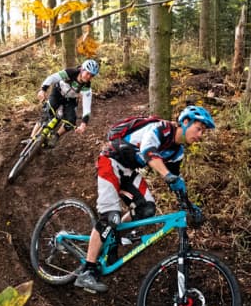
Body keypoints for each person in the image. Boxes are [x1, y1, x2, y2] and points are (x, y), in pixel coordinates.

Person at [75, 105, 216, 293]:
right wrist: (168, 176)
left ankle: (113, 237)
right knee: (110, 217)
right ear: (185, 122)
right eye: (199, 129)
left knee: (146, 209)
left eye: (203, 132)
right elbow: (149, 152)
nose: (200, 135)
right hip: (110, 161)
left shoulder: (177, 152)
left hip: (128, 171)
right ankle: (87, 271)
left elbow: (174, 183)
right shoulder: (162, 128)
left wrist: (189, 205)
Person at [33, 59, 99, 144]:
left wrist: (83, 124)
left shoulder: (87, 88)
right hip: (58, 92)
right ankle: (32, 136)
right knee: (48, 111)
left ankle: (56, 136)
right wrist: (43, 89)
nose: (89, 77)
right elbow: (53, 78)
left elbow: (87, 108)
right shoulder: (70, 72)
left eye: (92, 75)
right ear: (82, 70)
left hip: (70, 99)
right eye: (88, 73)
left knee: (71, 122)